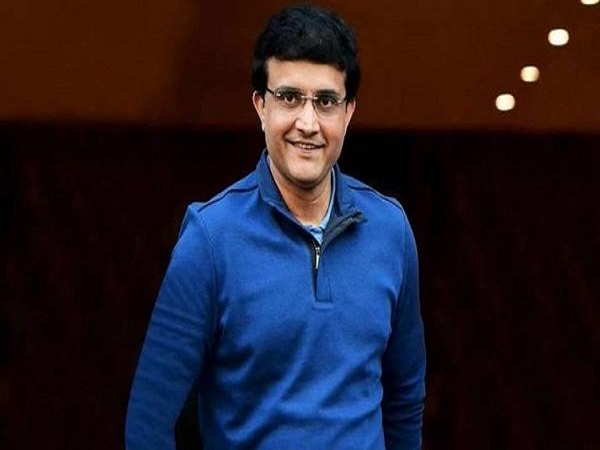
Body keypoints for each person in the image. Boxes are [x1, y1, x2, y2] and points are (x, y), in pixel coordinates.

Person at [125, 3, 426, 449]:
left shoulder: (390, 230)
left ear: (348, 112)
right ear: (260, 106)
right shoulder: (210, 239)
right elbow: (147, 424)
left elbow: (405, 399)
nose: (308, 123)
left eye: (326, 102)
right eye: (289, 97)